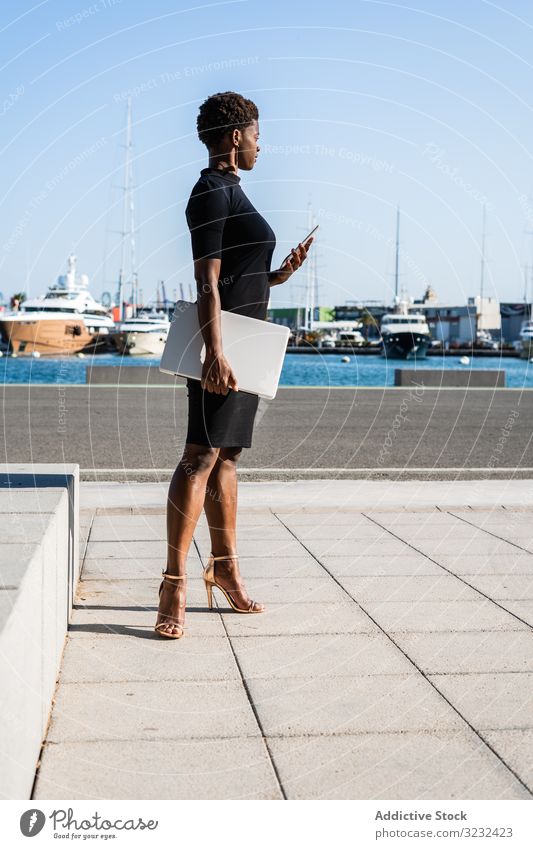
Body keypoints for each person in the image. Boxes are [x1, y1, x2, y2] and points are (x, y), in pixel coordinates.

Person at [155, 91, 313, 638]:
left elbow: (234, 278)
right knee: (198, 457)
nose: (260, 145)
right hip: (224, 347)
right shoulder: (210, 193)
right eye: (256, 134)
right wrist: (215, 353)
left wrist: (275, 277)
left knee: (226, 460)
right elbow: (206, 281)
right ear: (233, 135)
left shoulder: (233, 192)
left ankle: (224, 571)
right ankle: (172, 583)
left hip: (245, 343)